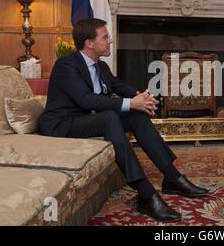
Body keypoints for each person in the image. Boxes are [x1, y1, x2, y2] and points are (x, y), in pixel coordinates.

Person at [38, 18, 208, 222]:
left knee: (135, 114)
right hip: (61, 124)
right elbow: (85, 100)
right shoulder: (66, 65)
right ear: (89, 43)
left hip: (85, 119)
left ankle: (172, 177)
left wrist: (141, 98)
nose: (110, 41)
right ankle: (145, 193)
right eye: (105, 37)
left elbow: (118, 85)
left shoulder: (100, 66)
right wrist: (131, 102)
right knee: (111, 117)